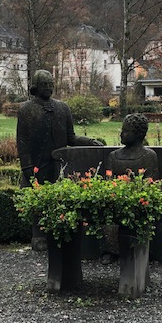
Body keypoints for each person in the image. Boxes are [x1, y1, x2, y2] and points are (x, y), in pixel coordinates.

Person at [16, 69, 103, 251]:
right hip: (38, 164)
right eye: (44, 85)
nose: (48, 88)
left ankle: (59, 232)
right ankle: (38, 235)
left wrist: (89, 141)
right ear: (35, 87)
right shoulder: (26, 110)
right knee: (37, 199)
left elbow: (71, 138)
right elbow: (22, 142)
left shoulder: (63, 108)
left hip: (59, 165)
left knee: (60, 199)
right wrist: (27, 165)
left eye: (50, 84)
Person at [101, 113, 159, 263]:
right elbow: (109, 181)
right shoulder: (114, 156)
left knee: (140, 213)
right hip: (117, 198)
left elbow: (152, 182)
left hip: (139, 199)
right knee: (108, 212)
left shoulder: (149, 156)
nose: (121, 134)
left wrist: (135, 194)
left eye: (126, 131)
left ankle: (137, 249)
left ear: (138, 134)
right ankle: (112, 250)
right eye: (122, 130)